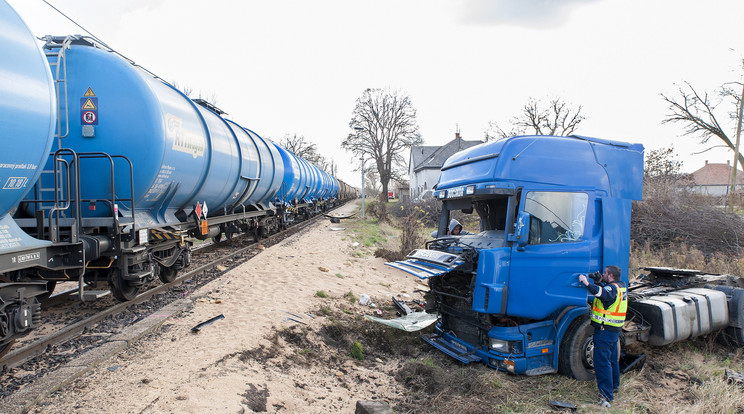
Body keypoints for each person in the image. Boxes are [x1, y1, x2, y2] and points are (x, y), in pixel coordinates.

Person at [578, 265, 627, 408]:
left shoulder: (611, 289)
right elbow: (607, 295)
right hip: (613, 331)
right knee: (611, 360)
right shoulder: (620, 286)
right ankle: (614, 386)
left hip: (605, 331)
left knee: (602, 362)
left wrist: (586, 283)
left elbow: (603, 294)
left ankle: (606, 395)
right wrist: (599, 281)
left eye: (605, 273)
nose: (604, 274)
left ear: (610, 275)